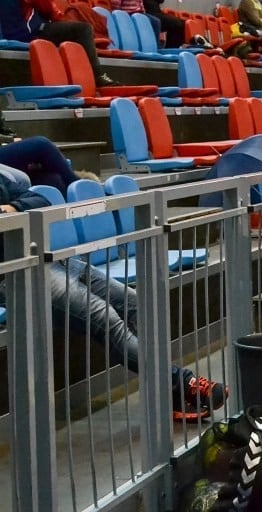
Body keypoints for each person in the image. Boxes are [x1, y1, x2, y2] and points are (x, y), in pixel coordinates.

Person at [0, 158, 226, 422]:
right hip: (14, 275)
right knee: (103, 316)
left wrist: (9, 208)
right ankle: (181, 383)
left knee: (133, 302)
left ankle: (167, 391)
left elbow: (38, 201)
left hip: (52, 260)